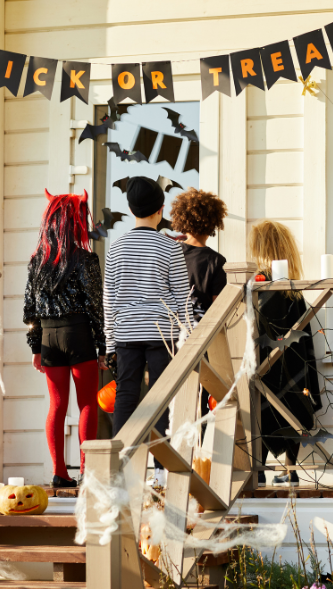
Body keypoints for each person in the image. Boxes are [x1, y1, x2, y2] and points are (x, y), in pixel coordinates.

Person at [103, 176, 193, 486]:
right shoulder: (170, 247)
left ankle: (121, 465)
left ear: (129, 209)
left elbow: (110, 300)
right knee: (160, 397)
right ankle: (159, 469)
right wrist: (189, 335)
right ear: (161, 209)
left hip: (127, 334)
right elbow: (183, 297)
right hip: (161, 333)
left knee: (126, 396)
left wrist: (110, 341)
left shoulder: (116, 249)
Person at [23, 189, 106, 488]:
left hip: (48, 336)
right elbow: (95, 307)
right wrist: (103, 347)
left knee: (56, 406)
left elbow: (29, 309)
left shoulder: (37, 260)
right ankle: (88, 473)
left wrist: (35, 347)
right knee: (87, 405)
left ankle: (59, 473)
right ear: (75, 222)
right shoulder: (85, 259)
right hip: (78, 333)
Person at [249, 220, 322, 486]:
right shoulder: (294, 292)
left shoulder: (259, 289)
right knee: (292, 394)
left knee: (262, 401)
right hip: (292, 362)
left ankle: (258, 468)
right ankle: (290, 469)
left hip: (264, 363)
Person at [169, 187, 228, 419]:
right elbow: (217, 309)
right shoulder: (216, 261)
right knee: (198, 408)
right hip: (200, 344)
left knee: (170, 407)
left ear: (183, 219)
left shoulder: (171, 253)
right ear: (213, 222)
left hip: (168, 340)